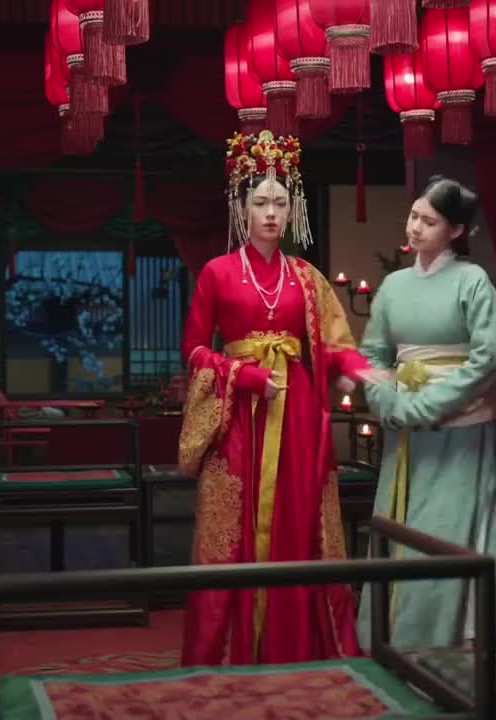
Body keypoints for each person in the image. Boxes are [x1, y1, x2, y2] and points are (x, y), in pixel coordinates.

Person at [178, 130, 368, 665]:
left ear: (292, 210)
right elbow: (193, 349)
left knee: (298, 521)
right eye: (260, 202)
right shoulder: (217, 273)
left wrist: (360, 372)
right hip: (239, 413)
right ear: (241, 208)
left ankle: (300, 645)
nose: (270, 213)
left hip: (297, 411)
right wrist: (242, 375)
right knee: (231, 532)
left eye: (280, 203)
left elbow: (335, 343)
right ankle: (224, 653)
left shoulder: (305, 277)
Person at [355, 175, 496, 651]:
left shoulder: (472, 280)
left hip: (460, 432)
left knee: (445, 532)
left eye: (430, 220)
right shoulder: (394, 286)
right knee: (398, 526)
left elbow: (490, 357)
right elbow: (373, 354)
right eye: (414, 216)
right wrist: (388, 402)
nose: (416, 227)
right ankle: (388, 639)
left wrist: (426, 405)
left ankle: (443, 641)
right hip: (406, 430)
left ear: (456, 231)